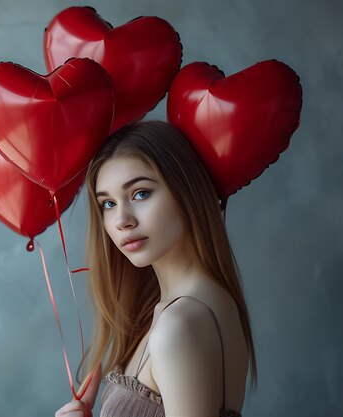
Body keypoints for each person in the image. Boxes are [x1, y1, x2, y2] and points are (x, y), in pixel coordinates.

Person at [54, 120, 256, 417]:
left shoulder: (179, 325)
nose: (122, 219)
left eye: (140, 194)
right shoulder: (197, 304)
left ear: (186, 189)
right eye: (108, 204)